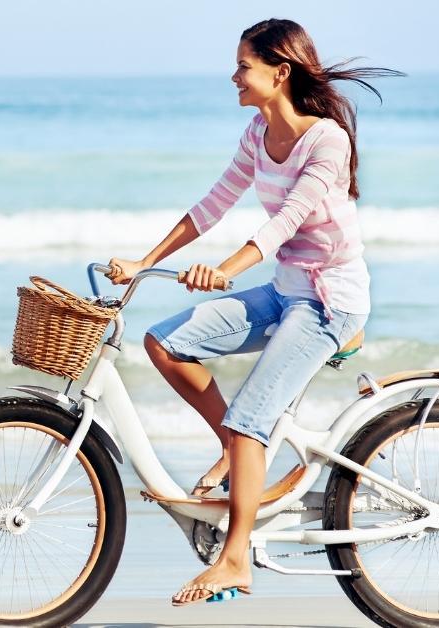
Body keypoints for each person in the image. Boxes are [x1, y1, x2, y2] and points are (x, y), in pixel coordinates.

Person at [106, 18, 402, 606]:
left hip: (329, 301)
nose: (234, 76)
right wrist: (145, 262)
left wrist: (225, 270)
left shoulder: (326, 141)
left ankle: (236, 557)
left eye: (243, 65)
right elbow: (213, 202)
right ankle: (238, 452)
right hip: (285, 289)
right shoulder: (256, 132)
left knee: (250, 420)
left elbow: (285, 220)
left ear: (279, 71)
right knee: (165, 343)